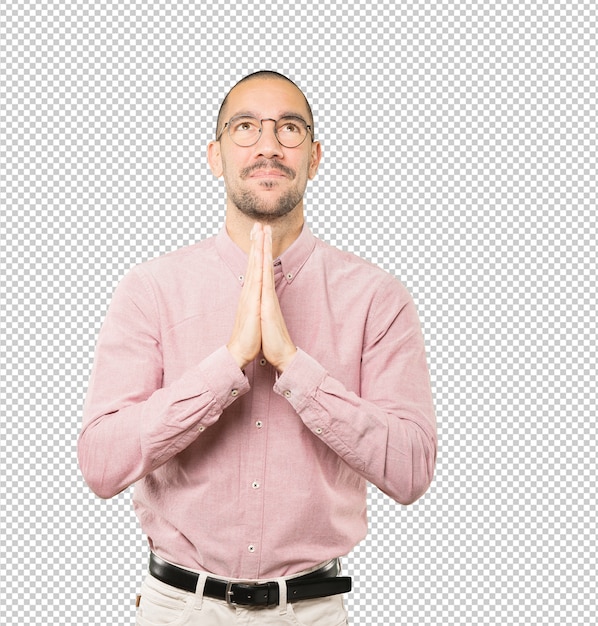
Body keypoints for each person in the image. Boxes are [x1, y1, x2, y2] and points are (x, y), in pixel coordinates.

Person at [78, 70, 437, 625]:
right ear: (215, 155)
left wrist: (294, 366)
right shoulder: (150, 289)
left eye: (289, 128)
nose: (268, 144)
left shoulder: (377, 298)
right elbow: (101, 464)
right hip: (178, 610)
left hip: (312, 611)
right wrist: (228, 365)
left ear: (315, 156)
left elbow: (412, 470)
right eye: (245, 127)